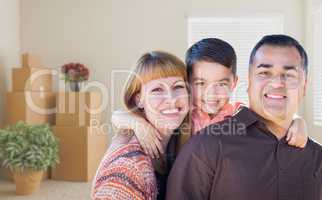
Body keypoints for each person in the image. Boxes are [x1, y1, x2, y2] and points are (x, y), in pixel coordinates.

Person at [166, 34, 322, 200]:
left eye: (289, 75)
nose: (277, 83)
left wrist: (298, 121)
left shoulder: (315, 156)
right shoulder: (183, 122)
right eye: (264, 72)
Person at [112, 38, 308, 160]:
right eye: (200, 84)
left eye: (221, 84)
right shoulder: (180, 113)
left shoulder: (238, 113)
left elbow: (270, 117)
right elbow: (118, 115)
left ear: (234, 83)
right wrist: (138, 124)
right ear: (187, 83)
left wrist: (297, 121)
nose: (211, 94)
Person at [91, 51, 190, 200]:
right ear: (139, 100)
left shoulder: (179, 140)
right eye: (157, 89)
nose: (171, 99)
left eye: (178, 87)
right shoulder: (128, 168)